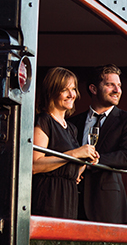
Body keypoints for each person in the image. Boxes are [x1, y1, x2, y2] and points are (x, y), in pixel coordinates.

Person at [70, 64, 127, 223]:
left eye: (119, 85)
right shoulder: (72, 122)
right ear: (94, 89)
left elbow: (126, 157)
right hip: (71, 200)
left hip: (107, 205)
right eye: (110, 85)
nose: (117, 90)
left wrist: (89, 162)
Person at [32, 67, 99, 218]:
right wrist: (75, 154)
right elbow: (34, 165)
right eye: (65, 90)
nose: (72, 94)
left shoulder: (71, 128)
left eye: (74, 89)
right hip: (49, 197)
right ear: (52, 91)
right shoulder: (44, 121)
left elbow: (69, 171)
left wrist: (84, 163)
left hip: (68, 197)